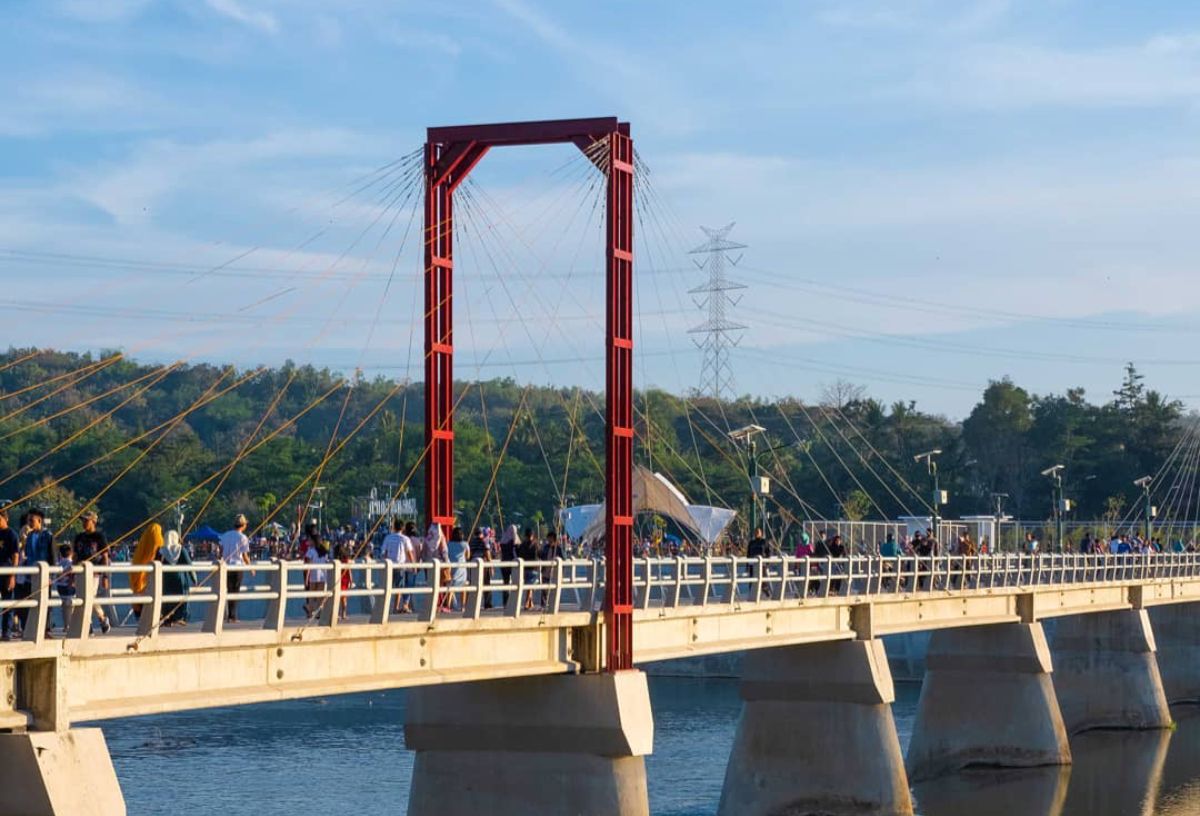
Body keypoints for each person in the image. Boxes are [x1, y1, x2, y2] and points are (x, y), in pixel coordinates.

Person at [73, 510, 113, 633]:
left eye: (86, 520)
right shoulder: (79, 537)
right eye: (83, 521)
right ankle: (100, 619)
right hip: (80, 572)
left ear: (94, 522)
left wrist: (105, 576)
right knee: (82, 597)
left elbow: (105, 556)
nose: (84, 523)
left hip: (94, 572)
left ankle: (90, 623)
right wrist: (72, 574)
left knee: (89, 596)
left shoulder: (99, 537)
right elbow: (75, 556)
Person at [16, 508, 54, 635]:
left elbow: (52, 556)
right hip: (30, 575)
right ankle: (29, 628)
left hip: (44, 574)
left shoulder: (48, 536)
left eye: (31, 520)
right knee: (29, 603)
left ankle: (45, 630)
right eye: (28, 520)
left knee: (45, 602)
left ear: (39, 521)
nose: (29, 523)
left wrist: (51, 575)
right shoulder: (29, 536)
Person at [157, 530, 195, 626]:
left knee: (167, 599)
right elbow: (189, 565)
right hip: (180, 579)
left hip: (166, 580)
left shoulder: (161, 551)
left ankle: (167, 618)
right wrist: (194, 579)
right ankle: (180, 617)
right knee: (182, 598)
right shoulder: (181, 550)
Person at [219, 514, 251, 623]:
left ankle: (229, 615)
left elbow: (221, 549)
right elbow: (245, 556)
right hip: (237, 566)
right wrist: (251, 568)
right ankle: (232, 616)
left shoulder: (225, 535)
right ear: (243, 525)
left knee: (229, 590)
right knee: (235, 591)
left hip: (226, 567)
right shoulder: (243, 537)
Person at [130, 523, 162, 622]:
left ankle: (141, 619)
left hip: (140, 580)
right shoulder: (158, 543)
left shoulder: (141, 548)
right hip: (148, 580)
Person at [380, 519, 411, 614]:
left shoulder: (388, 538)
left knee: (388, 587)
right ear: (403, 528)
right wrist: (413, 564)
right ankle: (395, 608)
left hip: (389, 566)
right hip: (400, 566)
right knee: (399, 588)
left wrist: (384, 562)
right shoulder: (405, 539)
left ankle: (385, 608)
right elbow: (409, 552)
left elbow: (384, 552)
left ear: (394, 527)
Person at [0, 506, 19, 639]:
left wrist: (12, 576)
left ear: (5, 518)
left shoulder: (11, 534)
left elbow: (15, 556)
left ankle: (6, 632)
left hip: (6, 573)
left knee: (8, 603)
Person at [446, 526, 470, 611]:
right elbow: (468, 556)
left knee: (451, 587)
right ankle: (463, 606)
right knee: (463, 587)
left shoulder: (448, 544)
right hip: (461, 568)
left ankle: (448, 606)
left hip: (451, 567)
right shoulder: (465, 544)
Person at [54, 544, 76, 634]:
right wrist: (72, 582)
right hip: (68, 586)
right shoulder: (71, 563)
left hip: (60, 586)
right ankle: (69, 626)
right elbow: (72, 574)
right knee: (70, 607)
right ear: (71, 553)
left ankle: (66, 625)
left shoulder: (59, 563)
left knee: (64, 607)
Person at [498, 524, 520, 608]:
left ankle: (506, 602)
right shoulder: (515, 540)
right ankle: (514, 602)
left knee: (506, 583)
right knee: (516, 583)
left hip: (504, 564)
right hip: (513, 565)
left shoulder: (503, 540)